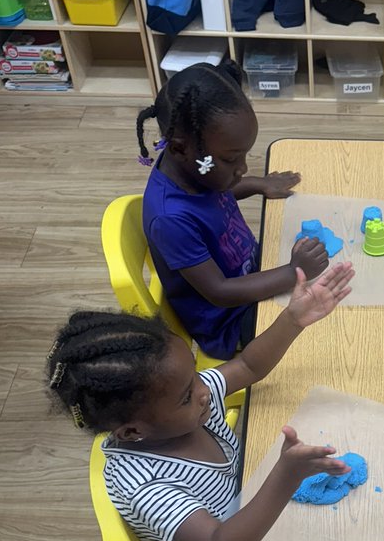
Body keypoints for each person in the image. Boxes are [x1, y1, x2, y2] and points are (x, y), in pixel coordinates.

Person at [47, 262, 354, 541]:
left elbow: (248, 366)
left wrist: (293, 319)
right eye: (187, 394)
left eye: (194, 375)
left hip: (257, 508)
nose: (204, 390)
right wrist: (286, 475)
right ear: (133, 431)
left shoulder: (188, 404)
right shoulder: (145, 486)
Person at [135, 60, 328, 360]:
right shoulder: (170, 219)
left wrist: (256, 184)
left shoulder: (197, 170)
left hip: (253, 272)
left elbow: (214, 194)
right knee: (331, 326)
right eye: (231, 160)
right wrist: (293, 271)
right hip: (232, 321)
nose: (242, 168)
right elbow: (220, 292)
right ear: (180, 149)